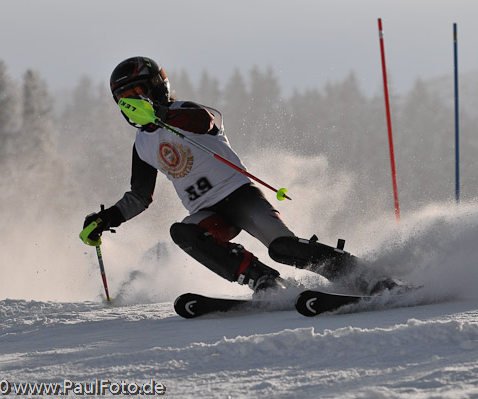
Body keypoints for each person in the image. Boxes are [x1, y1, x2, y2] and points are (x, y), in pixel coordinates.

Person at [82, 56, 395, 295]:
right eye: (126, 98)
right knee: (183, 232)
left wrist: (162, 115)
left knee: (283, 248)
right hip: (208, 213)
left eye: (139, 92)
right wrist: (106, 219)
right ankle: (265, 282)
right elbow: (139, 196)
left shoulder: (185, 111)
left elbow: (205, 122)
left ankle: (366, 277)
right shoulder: (142, 145)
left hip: (240, 196)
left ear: (157, 88)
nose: (133, 103)